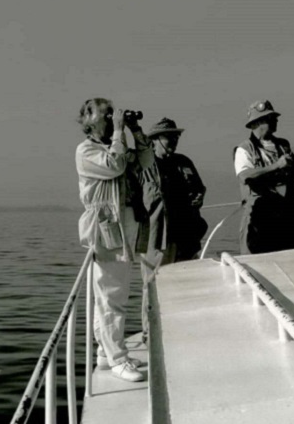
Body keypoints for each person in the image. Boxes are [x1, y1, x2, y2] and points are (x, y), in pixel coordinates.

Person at [75, 98, 152, 383]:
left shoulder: (114, 144)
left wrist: (135, 130)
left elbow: (146, 160)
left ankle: (105, 355)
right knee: (111, 296)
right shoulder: (86, 151)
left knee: (112, 295)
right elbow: (116, 165)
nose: (110, 119)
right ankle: (118, 358)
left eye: (112, 115)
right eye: (106, 115)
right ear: (88, 118)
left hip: (125, 226)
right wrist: (119, 130)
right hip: (107, 230)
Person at [136, 117, 207, 342]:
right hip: (157, 237)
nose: (175, 140)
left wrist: (198, 196)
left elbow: (199, 187)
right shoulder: (145, 165)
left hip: (186, 234)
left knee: (186, 286)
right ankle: (150, 334)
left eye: (177, 136)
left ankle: (183, 330)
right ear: (156, 140)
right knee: (153, 286)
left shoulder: (184, 161)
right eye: (170, 136)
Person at [233, 100, 294, 254]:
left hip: (286, 217)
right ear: (258, 123)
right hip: (259, 218)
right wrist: (276, 166)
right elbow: (244, 176)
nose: (276, 120)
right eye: (271, 118)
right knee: (255, 259)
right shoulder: (244, 149)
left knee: (291, 259)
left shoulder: (283, 145)